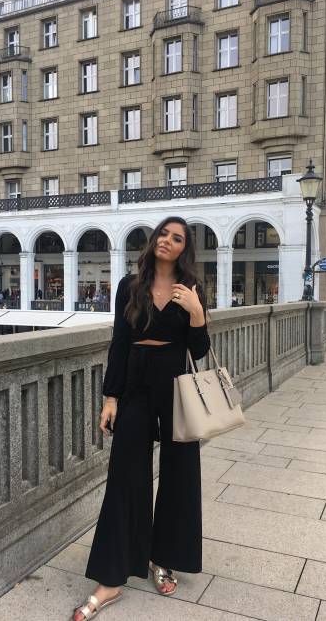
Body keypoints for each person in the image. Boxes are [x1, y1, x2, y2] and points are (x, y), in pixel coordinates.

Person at [72, 217, 210, 621]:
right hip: (135, 384)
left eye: (177, 238)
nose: (167, 241)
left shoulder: (192, 289)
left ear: (185, 249)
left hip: (176, 384)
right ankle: (111, 578)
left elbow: (199, 350)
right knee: (125, 475)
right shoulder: (129, 286)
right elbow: (119, 341)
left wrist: (197, 313)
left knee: (180, 472)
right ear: (153, 241)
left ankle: (163, 557)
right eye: (163, 234)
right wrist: (110, 397)